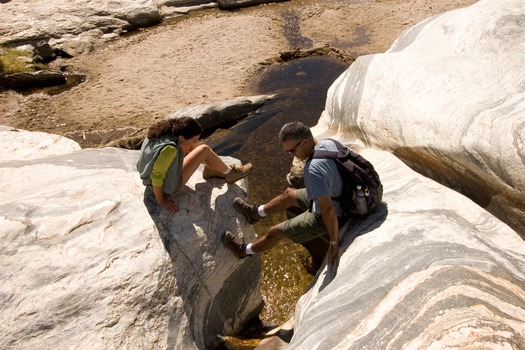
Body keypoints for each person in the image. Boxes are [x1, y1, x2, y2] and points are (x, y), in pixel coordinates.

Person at [222, 121, 346, 266]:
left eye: (292, 151)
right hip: (340, 195)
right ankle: (256, 213)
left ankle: (243, 251)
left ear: (305, 141)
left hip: (331, 215)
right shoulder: (329, 144)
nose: (291, 155)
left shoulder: (313, 169)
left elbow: (327, 210)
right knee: (289, 194)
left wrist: (334, 241)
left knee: (274, 232)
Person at [137, 116, 253, 213]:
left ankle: (212, 169)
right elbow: (157, 175)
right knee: (204, 150)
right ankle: (230, 173)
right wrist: (161, 200)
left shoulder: (161, 131)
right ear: (181, 137)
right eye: (194, 139)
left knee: (196, 147)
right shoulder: (169, 149)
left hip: (149, 179)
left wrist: (192, 143)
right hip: (166, 187)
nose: (196, 142)